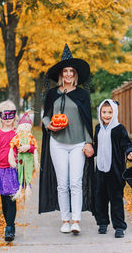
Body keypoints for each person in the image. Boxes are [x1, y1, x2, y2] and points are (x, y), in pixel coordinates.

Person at [39, 44, 95, 234]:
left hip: (78, 143)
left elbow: (88, 120)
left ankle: (76, 220)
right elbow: (45, 115)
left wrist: (89, 142)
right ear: (61, 74)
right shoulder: (52, 94)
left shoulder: (82, 94)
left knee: (75, 182)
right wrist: (48, 125)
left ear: (75, 74)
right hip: (57, 144)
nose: (69, 74)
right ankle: (65, 219)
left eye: (72, 71)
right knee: (62, 184)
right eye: (66, 71)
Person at [0, 100, 36, 242]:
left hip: (14, 171)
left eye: (11, 115)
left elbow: (32, 147)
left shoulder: (19, 133)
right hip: (0, 171)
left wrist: (27, 148)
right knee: (4, 201)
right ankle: (8, 224)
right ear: (0, 116)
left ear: (15, 116)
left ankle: (10, 228)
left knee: (11, 200)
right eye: (5, 115)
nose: (8, 119)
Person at [93, 99, 132, 238]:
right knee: (100, 198)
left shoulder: (119, 129)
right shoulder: (98, 128)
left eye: (110, 112)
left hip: (115, 171)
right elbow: (96, 146)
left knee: (116, 199)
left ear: (115, 113)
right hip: (100, 170)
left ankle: (119, 227)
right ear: (100, 113)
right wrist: (89, 149)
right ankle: (103, 223)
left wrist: (130, 152)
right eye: (104, 112)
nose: (107, 115)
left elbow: (126, 144)